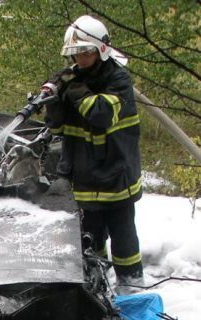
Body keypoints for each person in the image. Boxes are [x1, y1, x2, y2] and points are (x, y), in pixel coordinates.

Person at [44, 15, 143, 288]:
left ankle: (132, 288)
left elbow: (100, 114)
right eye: (75, 54)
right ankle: (99, 288)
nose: (80, 60)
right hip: (85, 179)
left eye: (85, 53)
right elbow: (58, 128)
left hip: (116, 177)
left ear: (101, 50)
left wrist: (74, 90)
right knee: (90, 240)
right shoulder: (73, 79)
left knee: (124, 242)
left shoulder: (118, 79)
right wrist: (54, 101)